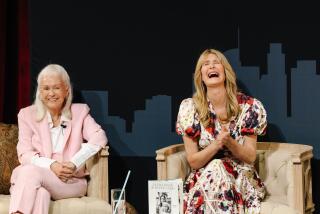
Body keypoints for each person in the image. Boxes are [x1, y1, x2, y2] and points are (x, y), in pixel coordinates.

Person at [176, 49, 267, 213]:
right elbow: (194, 162)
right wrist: (217, 144)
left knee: (218, 168)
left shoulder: (249, 107)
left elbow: (250, 156)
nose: (211, 66)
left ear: (225, 71)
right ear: (201, 75)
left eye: (216, 62)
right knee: (216, 167)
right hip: (204, 177)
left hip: (240, 177)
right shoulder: (190, 108)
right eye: (205, 64)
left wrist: (230, 143)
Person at [9, 64, 108, 214]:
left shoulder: (79, 112)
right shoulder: (27, 115)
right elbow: (24, 153)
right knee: (40, 194)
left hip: (69, 181)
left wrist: (75, 162)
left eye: (56, 88)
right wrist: (52, 165)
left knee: (28, 173)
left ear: (66, 90)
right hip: (34, 178)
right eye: (46, 88)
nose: (51, 93)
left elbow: (99, 137)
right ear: (40, 92)